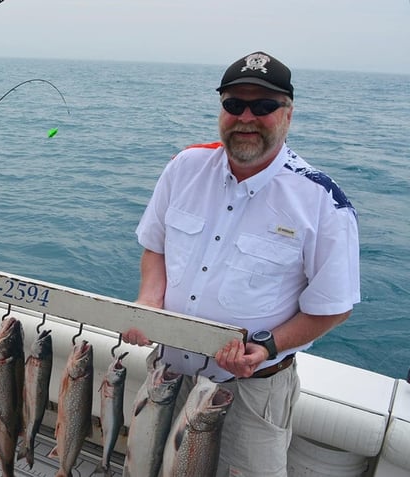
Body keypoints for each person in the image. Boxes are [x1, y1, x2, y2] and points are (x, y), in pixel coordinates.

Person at [123, 51, 360, 476]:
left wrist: (267, 346)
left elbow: (334, 306)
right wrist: (147, 303)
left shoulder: (323, 201)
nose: (246, 117)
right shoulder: (184, 167)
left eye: (263, 106)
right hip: (169, 372)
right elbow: (155, 247)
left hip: (252, 390)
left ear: (288, 113)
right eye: (234, 104)